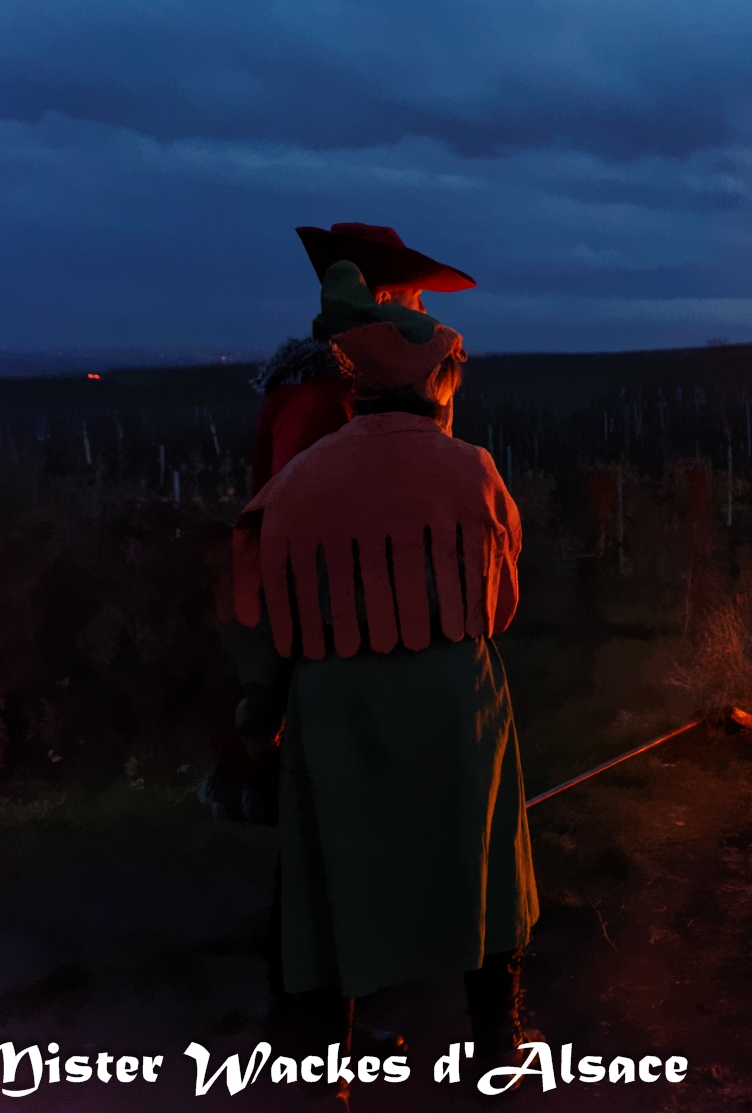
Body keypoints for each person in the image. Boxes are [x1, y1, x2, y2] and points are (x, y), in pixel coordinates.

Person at [231, 262, 538, 1079]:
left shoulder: (296, 484)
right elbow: (501, 605)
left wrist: (257, 724)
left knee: (332, 883)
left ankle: (320, 1071)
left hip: (336, 708)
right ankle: (496, 1051)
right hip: (456, 698)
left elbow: (260, 623)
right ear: (437, 381)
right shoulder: (473, 470)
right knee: (487, 868)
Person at [249, 223, 476, 495]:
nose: (424, 311)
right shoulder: (322, 400)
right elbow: (300, 512)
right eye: (416, 298)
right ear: (381, 302)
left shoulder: (351, 391)